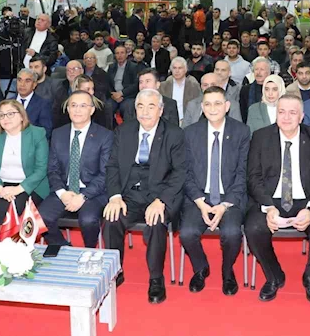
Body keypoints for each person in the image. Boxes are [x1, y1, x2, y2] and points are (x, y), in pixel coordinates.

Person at [245, 95, 310, 303]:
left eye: (292, 113)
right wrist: (268, 207)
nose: (286, 117)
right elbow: (253, 177)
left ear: (301, 116)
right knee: (254, 229)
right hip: (270, 200)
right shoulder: (261, 136)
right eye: (281, 112)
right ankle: (274, 276)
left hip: (305, 200)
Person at [104, 89, 186, 303]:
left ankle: (156, 279)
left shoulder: (174, 134)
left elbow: (180, 172)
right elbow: (112, 166)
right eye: (140, 106)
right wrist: (115, 196)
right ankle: (114, 271)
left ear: (161, 110)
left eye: (151, 107)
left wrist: (161, 201)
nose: (145, 112)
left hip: (160, 194)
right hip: (129, 194)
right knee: (111, 218)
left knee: (156, 222)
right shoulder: (124, 131)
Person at [180, 86, 249, 295]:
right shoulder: (190, 133)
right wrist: (200, 202)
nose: (212, 108)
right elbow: (185, 172)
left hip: (230, 197)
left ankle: (227, 271)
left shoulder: (241, 132)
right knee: (187, 233)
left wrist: (224, 205)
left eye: (218, 103)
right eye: (208, 104)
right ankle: (201, 267)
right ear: (202, 107)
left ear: (227, 106)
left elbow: (243, 173)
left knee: (232, 233)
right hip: (199, 196)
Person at [39, 90, 112, 249]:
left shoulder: (105, 136)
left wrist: (83, 196)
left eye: (83, 106)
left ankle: (89, 250)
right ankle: (65, 248)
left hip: (93, 192)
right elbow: (52, 169)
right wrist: (62, 193)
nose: (77, 110)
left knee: (88, 220)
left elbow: (105, 174)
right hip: (64, 189)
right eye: (73, 105)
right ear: (68, 109)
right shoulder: (58, 134)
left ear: (92, 110)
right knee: (41, 218)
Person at [0, 100, 50, 242]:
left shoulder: (37, 134)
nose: (5, 118)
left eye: (10, 114)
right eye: (2, 115)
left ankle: (14, 252)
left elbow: (41, 169)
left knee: (14, 218)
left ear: (22, 116)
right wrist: (0, 189)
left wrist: (18, 189)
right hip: (1, 186)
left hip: (30, 186)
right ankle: (4, 252)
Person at [160, 57, 200, 126]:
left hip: (188, 122)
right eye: (174, 68)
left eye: (180, 68)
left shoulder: (194, 86)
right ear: (171, 70)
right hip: (168, 122)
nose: (177, 71)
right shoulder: (163, 86)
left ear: (185, 70)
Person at [14, 68, 53, 140]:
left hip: (32, 143)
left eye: (27, 81)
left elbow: (46, 131)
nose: (22, 84)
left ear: (34, 84)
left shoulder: (43, 104)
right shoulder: (8, 103)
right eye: (19, 80)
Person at [107, 44, 139, 115]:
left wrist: (121, 93)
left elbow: (135, 85)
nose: (120, 55)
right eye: (117, 53)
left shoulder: (133, 67)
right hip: (114, 96)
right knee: (107, 107)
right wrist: (113, 95)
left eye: (122, 53)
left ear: (126, 54)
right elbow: (108, 83)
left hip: (127, 96)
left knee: (127, 108)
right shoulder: (111, 67)